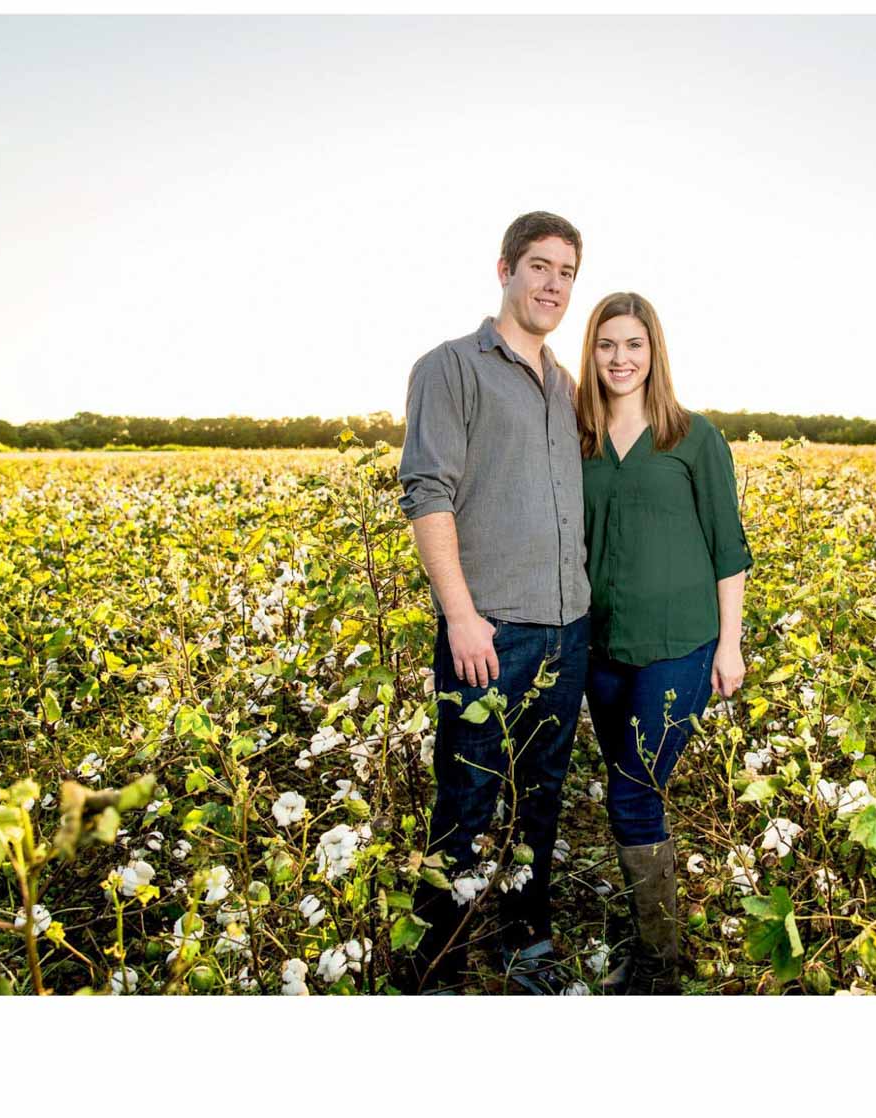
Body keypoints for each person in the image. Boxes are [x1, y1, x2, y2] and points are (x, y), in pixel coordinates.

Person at [397, 212, 590, 993]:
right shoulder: (451, 367)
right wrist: (461, 615)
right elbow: (428, 493)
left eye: (567, 273)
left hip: (566, 628)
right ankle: (436, 957)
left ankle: (522, 942)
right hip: (490, 629)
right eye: (539, 267)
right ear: (504, 269)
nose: (552, 285)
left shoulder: (566, 386)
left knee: (540, 798)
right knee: (468, 795)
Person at [576, 291, 753, 994]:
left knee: (633, 791)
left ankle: (658, 964)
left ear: (654, 353)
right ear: (591, 353)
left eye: (633, 345)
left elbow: (728, 546)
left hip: (680, 643)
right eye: (607, 345)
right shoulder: (577, 437)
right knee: (628, 788)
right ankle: (649, 936)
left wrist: (729, 645)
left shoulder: (692, 437)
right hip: (599, 647)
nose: (621, 358)